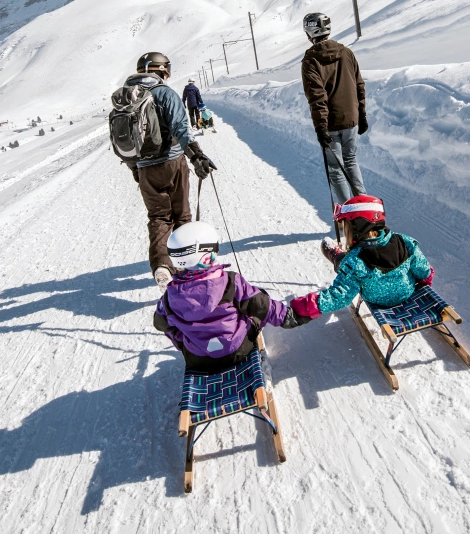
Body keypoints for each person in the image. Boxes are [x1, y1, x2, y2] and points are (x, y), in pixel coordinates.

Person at [154, 222, 310, 372]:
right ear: (206, 256)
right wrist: (287, 317)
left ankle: (196, 345)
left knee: (172, 320)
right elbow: (261, 305)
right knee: (257, 299)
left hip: (197, 359)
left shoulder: (169, 297)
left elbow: (160, 324)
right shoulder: (229, 282)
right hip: (238, 350)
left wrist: (183, 341)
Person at [122, 52, 217, 289]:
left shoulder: (126, 99)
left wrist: (136, 169)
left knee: (158, 217)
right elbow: (181, 127)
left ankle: (162, 266)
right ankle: (189, 265)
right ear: (161, 70)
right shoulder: (164, 93)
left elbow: (124, 142)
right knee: (182, 215)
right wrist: (197, 156)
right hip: (172, 162)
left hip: (145, 168)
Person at [289, 195, 432, 322]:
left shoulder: (354, 261)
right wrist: (425, 279)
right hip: (406, 293)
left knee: (348, 266)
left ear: (357, 228)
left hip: (377, 300)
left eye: (345, 227)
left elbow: (339, 296)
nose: (344, 231)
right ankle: (339, 258)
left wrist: (308, 305)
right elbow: (423, 270)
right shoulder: (404, 241)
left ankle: (337, 258)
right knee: (351, 265)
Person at [300, 12, 368, 204]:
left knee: (336, 169)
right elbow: (359, 85)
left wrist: (320, 127)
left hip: (330, 123)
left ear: (309, 32)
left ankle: (349, 217)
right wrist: (361, 115)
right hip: (351, 120)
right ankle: (364, 210)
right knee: (351, 161)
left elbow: (317, 97)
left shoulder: (311, 60)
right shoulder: (347, 52)